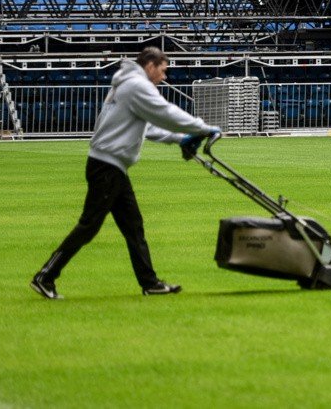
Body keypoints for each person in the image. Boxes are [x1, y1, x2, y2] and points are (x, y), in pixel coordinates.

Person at [31, 47, 220, 299]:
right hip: (107, 166)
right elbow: (164, 113)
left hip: (111, 165)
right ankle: (45, 276)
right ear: (151, 65)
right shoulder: (136, 86)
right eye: (163, 71)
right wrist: (203, 128)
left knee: (133, 227)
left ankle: (150, 283)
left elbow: (149, 128)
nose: (164, 77)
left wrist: (180, 138)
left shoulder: (126, 85)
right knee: (89, 225)